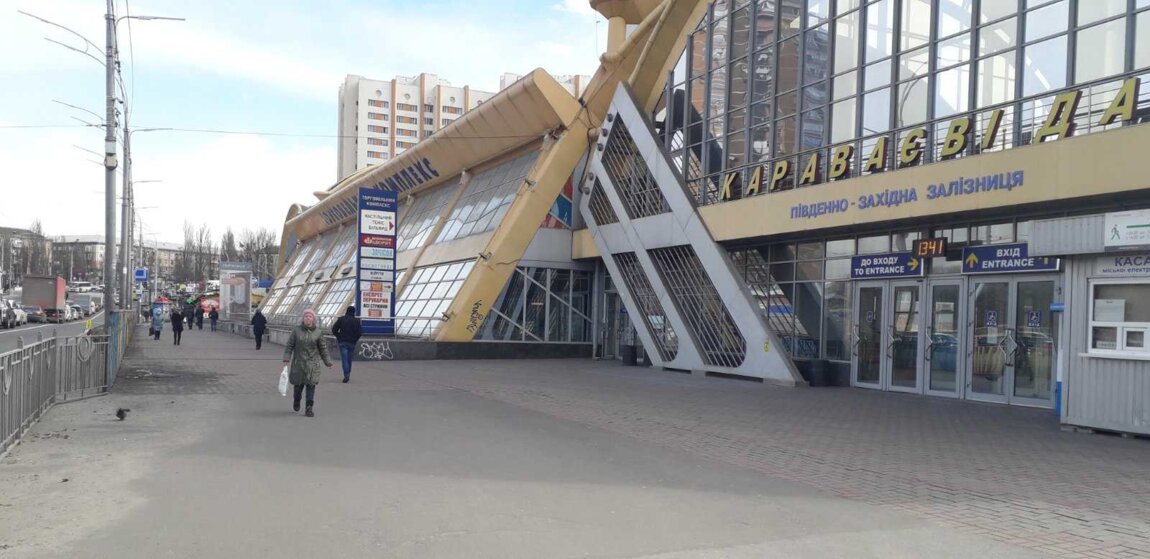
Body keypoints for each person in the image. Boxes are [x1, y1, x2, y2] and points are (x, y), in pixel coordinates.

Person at [283, 309, 332, 417]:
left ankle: (309, 408)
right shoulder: (296, 330)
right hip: (299, 363)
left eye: (310, 316)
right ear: (303, 318)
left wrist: (327, 361)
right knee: (298, 386)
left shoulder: (318, 332)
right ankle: (297, 399)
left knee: (311, 386)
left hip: (312, 365)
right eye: (306, 316)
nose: (308, 318)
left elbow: (323, 349)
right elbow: (290, 345)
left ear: (313, 319)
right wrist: (286, 358)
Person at [331, 305, 363, 383]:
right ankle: (348, 373)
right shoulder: (357, 321)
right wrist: (355, 340)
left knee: (344, 359)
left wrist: (338, 336)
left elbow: (334, 329)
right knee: (349, 359)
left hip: (342, 342)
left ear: (346, 311)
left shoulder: (341, 319)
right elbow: (360, 333)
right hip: (352, 342)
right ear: (354, 312)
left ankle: (346, 374)